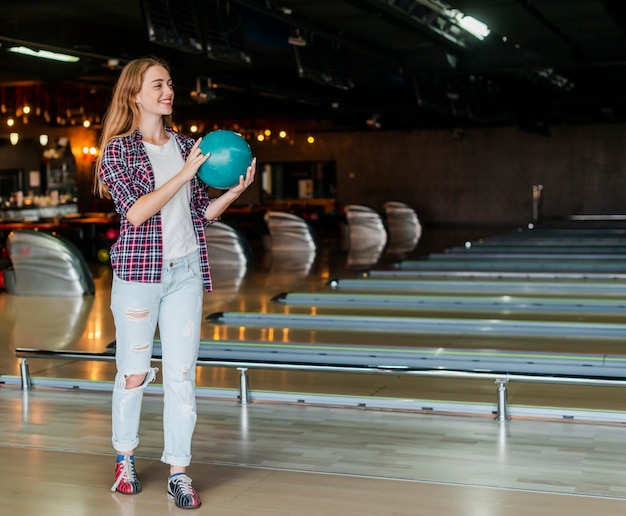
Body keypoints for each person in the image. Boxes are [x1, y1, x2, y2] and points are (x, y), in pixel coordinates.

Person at [94, 56, 256, 509]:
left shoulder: (189, 146)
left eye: (170, 83)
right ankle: (124, 459)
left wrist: (231, 194)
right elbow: (136, 212)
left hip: (185, 273)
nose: (168, 91)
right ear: (135, 94)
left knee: (183, 376)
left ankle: (178, 471)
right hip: (138, 278)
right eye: (158, 84)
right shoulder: (118, 152)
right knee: (133, 374)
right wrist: (184, 174)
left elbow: (199, 213)